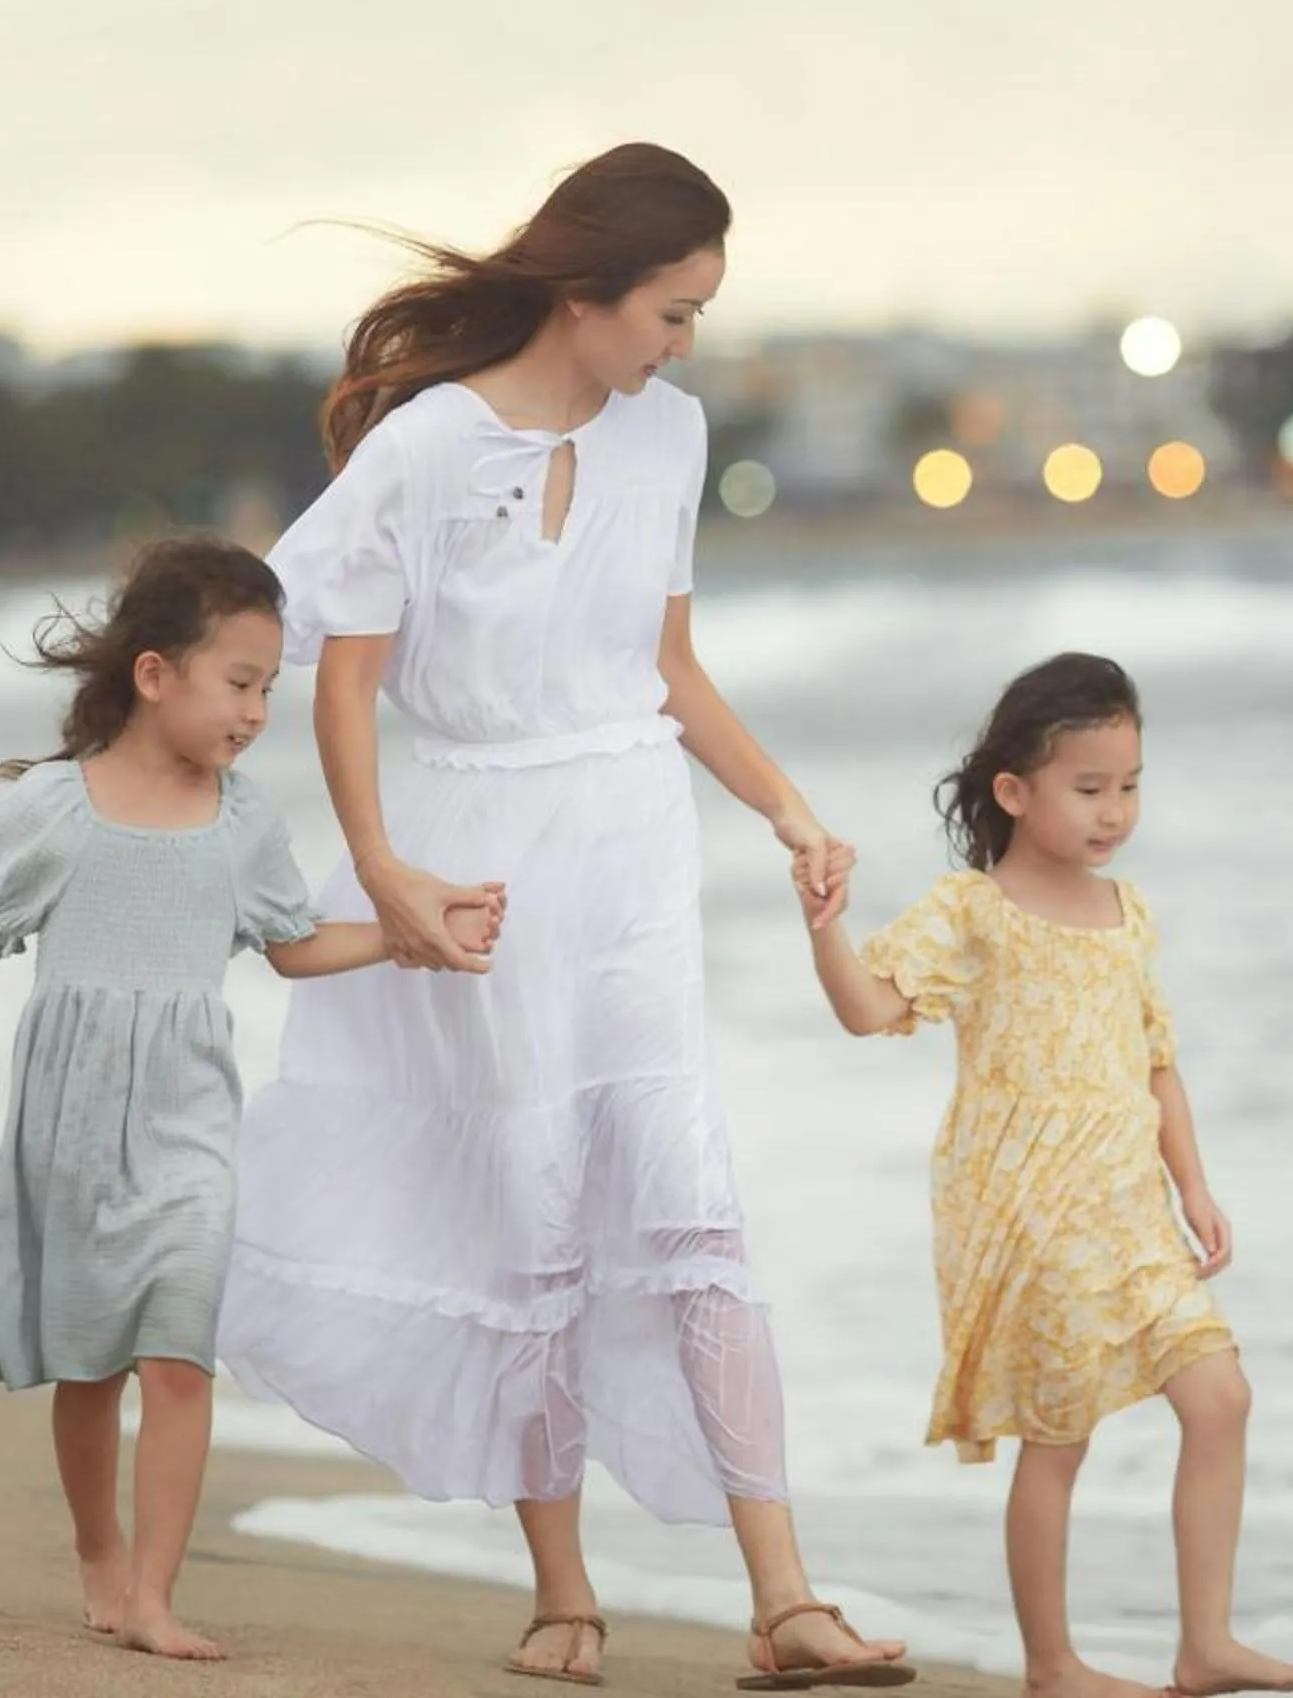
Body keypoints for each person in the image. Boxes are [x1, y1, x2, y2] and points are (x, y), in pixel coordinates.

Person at [218, 143, 911, 1689]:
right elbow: (342, 678)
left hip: (632, 851)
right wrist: (384, 868)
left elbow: (669, 665)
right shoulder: (427, 448)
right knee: (526, 1210)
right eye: (671, 312)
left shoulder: (671, 438)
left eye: (698, 319)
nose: (683, 345)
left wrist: (788, 808)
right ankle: (562, 1599)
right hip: (480, 858)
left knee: (689, 1201)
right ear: (584, 291)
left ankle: (787, 1599)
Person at [0, 536, 503, 1662]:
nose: (258, 712)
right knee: (90, 1363)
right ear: (155, 674)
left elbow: (293, 945)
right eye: (240, 683)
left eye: (270, 687)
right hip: (70, 1123)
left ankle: (154, 1594)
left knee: (177, 1353)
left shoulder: (245, 819)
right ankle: (98, 1550)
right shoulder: (51, 809)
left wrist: (416, 933)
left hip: (191, 1122)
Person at [796, 653, 1293, 1698]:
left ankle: (1204, 1641)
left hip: (1129, 1205)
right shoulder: (972, 910)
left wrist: (1196, 1188)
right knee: (1060, 1434)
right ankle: (1054, 1664)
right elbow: (870, 1008)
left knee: (1220, 1395)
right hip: (1029, 1211)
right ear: (1014, 791)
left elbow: (1157, 1060)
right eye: (1089, 788)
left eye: (1129, 784)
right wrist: (825, 927)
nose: (1114, 810)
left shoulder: (1127, 910)